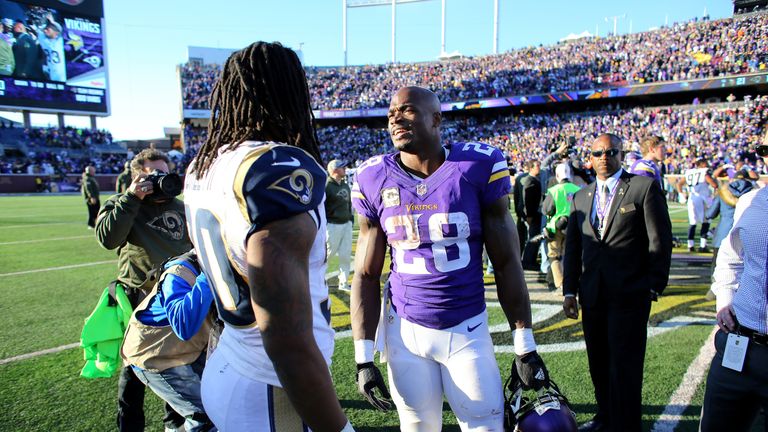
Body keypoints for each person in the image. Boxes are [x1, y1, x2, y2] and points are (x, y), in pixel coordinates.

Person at [350, 86, 549, 431]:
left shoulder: (475, 166)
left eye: (407, 110)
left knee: (485, 423)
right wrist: (363, 358)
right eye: (391, 113)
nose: (395, 118)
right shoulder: (373, 177)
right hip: (405, 329)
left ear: (436, 119)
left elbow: (506, 262)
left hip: (466, 325)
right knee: (416, 425)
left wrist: (525, 344)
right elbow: (366, 274)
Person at [183, 42, 352, 431]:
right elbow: (286, 338)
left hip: (230, 357)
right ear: (290, 92)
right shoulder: (275, 166)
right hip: (271, 385)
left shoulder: (204, 164)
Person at [562, 133, 672, 432]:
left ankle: (626, 425)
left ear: (621, 155)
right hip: (592, 294)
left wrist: (653, 285)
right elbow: (573, 248)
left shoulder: (643, 187)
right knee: (598, 362)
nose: (604, 158)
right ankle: (605, 417)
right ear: (590, 158)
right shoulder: (581, 197)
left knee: (625, 365)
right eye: (598, 153)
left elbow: (659, 240)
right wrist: (569, 290)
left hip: (630, 294)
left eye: (611, 152)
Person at [95, 148, 191, 432]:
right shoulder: (122, 203)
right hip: (139, 297)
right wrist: (132, 198)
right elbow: (108, 239)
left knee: (179, 364)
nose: (163, 179)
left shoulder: (181, 208)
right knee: (134, 369)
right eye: (155, 174)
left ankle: (174, 425)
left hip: (176, 295)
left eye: (166, 172)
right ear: (138, 176)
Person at [699, 139, 768, 431]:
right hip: (739, 345)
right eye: (765, 150)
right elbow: (730, 258)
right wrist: (725, 300)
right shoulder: (751, 201)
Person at [121, 250, 216, 432]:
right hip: (156, 355)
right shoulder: (180, 272)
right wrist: (210, 276)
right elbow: (184, 325)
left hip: (189, 350)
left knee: (222, 400)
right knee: (205, 415)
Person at [541, 163, 581, 293]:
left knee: (554, 256)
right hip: (573, 226)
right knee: (569, 255)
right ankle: (569, 281)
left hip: (556, 227)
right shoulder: (577, 189)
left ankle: (560, 283)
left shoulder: (555, 190)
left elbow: (546, 209)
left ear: (557, 175)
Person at [325, 159, 354, 291]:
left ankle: (343, 282)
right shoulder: (326, 186)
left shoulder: (345, 185)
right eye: (342, 167)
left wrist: (350, 220)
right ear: (335, 170)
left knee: (345, 255)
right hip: (332, 225)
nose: (345, 169)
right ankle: (317, 280)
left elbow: (349, 204)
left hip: (346, 224)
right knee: (328, 255)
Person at [678, 159, 718, 252]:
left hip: (692, 198)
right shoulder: (704, 171)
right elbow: (713, 184)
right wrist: (715, 182)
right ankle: (702, 246)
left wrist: (682, 193)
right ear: (702, 164)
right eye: (706, 163)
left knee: (693, 222)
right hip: (703, 198)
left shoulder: (689, 172)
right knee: (705, 221)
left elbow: (679, 184)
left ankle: (690, 245)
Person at [519, 160, 542, 270]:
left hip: (534, 213)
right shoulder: (530, 181)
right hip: (532, 214)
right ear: (531, 168)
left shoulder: (533, 180)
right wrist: (528, 215)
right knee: (533, 238)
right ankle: (528, 261)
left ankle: (530, 260)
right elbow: (527, 199)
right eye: (537, 166)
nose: (539, 167)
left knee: (534, 237)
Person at [37, 18, 66, 82]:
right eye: (45, 29)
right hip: (52, 72)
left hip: (62, 73)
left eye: (48, 29)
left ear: (56, 32)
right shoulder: (44, 40)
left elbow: (60, 30)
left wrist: (53, 22)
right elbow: (39, 31)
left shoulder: (60, 41)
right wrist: (46, 23)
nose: (45, 31)